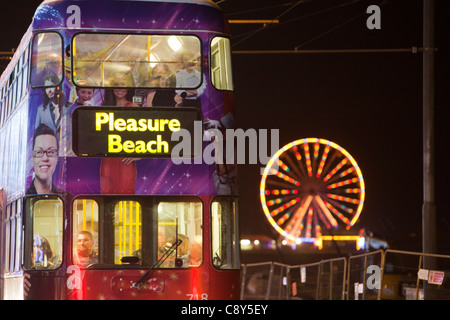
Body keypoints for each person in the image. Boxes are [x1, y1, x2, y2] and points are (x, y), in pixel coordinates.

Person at [100, 74, 139, 194]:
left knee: (126, 197)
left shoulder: (134, 107)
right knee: (107, 197)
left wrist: (139, 154)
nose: (120, 88)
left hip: (125, 162)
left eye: (123, 84)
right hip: (107, 161)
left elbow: (144, 134)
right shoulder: (104, 108)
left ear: (128, 87)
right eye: (116, 85)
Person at [35, 74, 72, 156]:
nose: (49, 91)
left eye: (51, 86)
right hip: (49, 156)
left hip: (68, 154)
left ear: (58, 87)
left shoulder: (70, 108)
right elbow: (37, 136)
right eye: (46, 88)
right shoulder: (41, 110)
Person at [26, 124, 63, 195]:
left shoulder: (68, 198)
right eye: (39, 152)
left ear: (57, 158)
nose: (45, 158)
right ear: (32, 157)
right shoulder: (24, 198)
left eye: (51, 152)